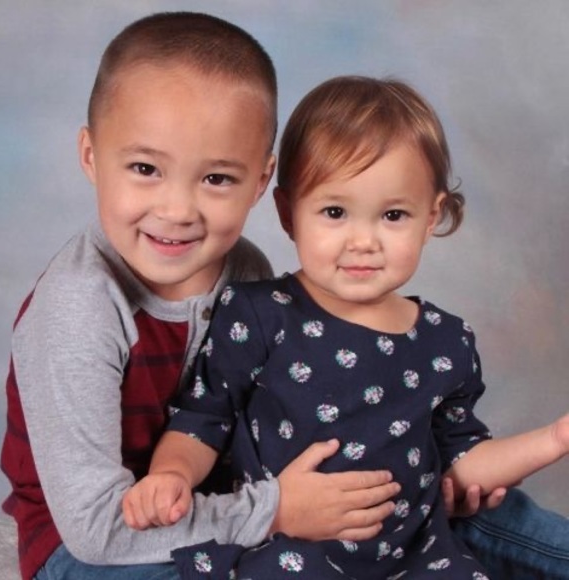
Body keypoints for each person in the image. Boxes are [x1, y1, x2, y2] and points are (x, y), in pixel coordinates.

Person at [0, 17, 406, 580]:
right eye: (145, 169)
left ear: (260, 181)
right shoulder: (79, 308)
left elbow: (268, 408)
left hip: (217, 503)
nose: (177, 210)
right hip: (86, 548)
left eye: (216, 179)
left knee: (389, 528)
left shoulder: (246, 272)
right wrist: (275, 511)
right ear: (91, 156)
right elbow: (96, 531)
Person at [126, 76, 569, 579]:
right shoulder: (260, 314)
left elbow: (462, 464)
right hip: (291, 553)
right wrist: (171, 474)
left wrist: (554, 440)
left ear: (431, 217)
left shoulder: (446, 341)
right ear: (289, 213)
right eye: (335, 212)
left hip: (416, 557)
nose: (363, 241)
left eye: (393, 215)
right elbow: (202, 420)